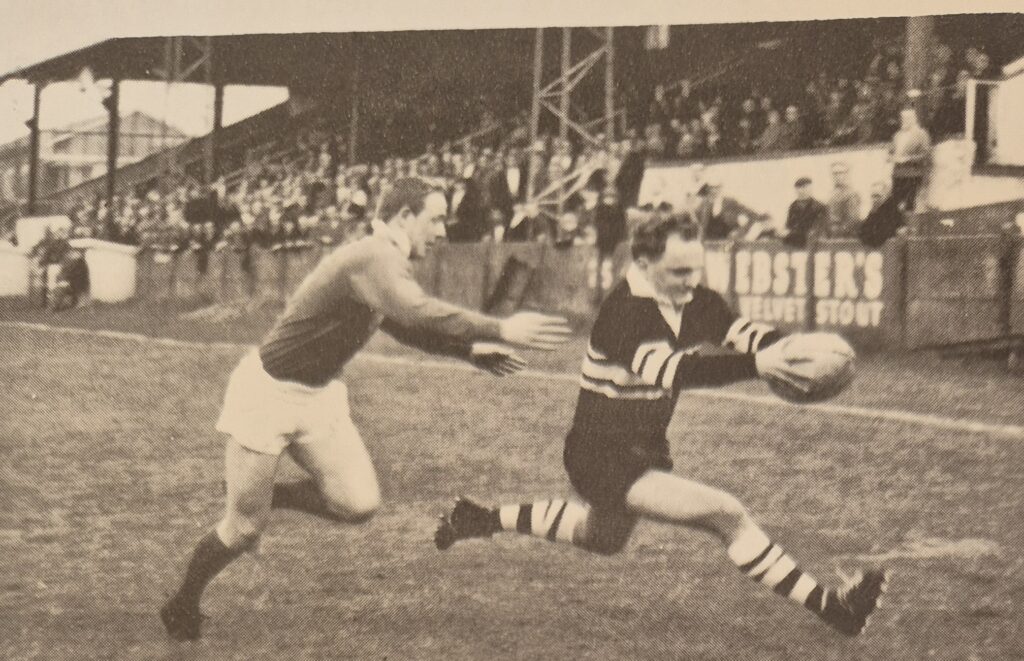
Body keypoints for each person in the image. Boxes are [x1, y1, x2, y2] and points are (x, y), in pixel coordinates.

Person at [435, 215, 888, 637]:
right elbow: (676, 371)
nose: (691, 282)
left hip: (645, 448)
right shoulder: (623, 313)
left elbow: (742, 331)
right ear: (644, 263)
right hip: (599, 456)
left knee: (602, 537)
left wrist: (788, 348)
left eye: (695, 270)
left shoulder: (694, 299)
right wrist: (758, 365)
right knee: (726, 514)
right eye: (678, 273)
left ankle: (479, 518)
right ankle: (836, 610)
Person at [160, 178, 572, 641]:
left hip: (318, 397)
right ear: (403, 217)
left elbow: (403, 325)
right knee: (243, 530)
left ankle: (268, 493)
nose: (441, 231)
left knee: (359, 504)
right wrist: (501, 328)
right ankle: (183, 603)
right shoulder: (375, 256)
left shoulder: (383, 260)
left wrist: (468, 352)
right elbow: (414, 311)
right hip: (268, 395)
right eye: (435, 218)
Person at [889, 107, 931, 212]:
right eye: (903, 118)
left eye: (908, 118)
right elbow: (891, 151)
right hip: (897, 174)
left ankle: (909, 227)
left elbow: (926, 155)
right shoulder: (897, 135)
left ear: (914, 119)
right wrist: (890, 157)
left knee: (909, 205)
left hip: (912, 175)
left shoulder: (921, 134)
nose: (904, 120)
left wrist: (908, 159)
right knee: (894, 203)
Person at [783, 177, 828, 249]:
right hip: (794, 246)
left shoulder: (819, 207)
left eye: (805, 188)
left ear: (810, 189)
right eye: (799, 188)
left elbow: (817, 230)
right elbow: (788, 226)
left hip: (815, 247)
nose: (801, 191)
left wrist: (791, 234)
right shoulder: (793, 206)